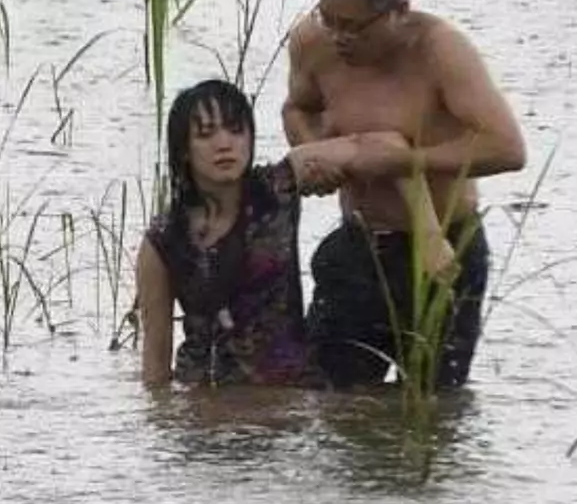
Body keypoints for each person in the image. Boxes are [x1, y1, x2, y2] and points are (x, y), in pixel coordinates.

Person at [284, 0, 527, 391]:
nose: (339, 36)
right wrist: (316, 154)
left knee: (433, 412)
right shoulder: (312, 42)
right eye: (328, 18)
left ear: (399, 10)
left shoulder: (442, 51)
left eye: (354, 26)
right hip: (358, 249)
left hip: (443, 250)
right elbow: (298, 107)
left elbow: (507, 147)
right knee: (332, 407)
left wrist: (408, 160)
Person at [136, 79, 458, 387]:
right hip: (204, 404)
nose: (224, 144)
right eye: (206, 134)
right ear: (183, 150)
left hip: (289, 393)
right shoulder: (165, 240)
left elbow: (389, 147)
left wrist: (430, 237)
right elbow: (155, 367)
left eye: (236, 130)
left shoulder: (276, 190)